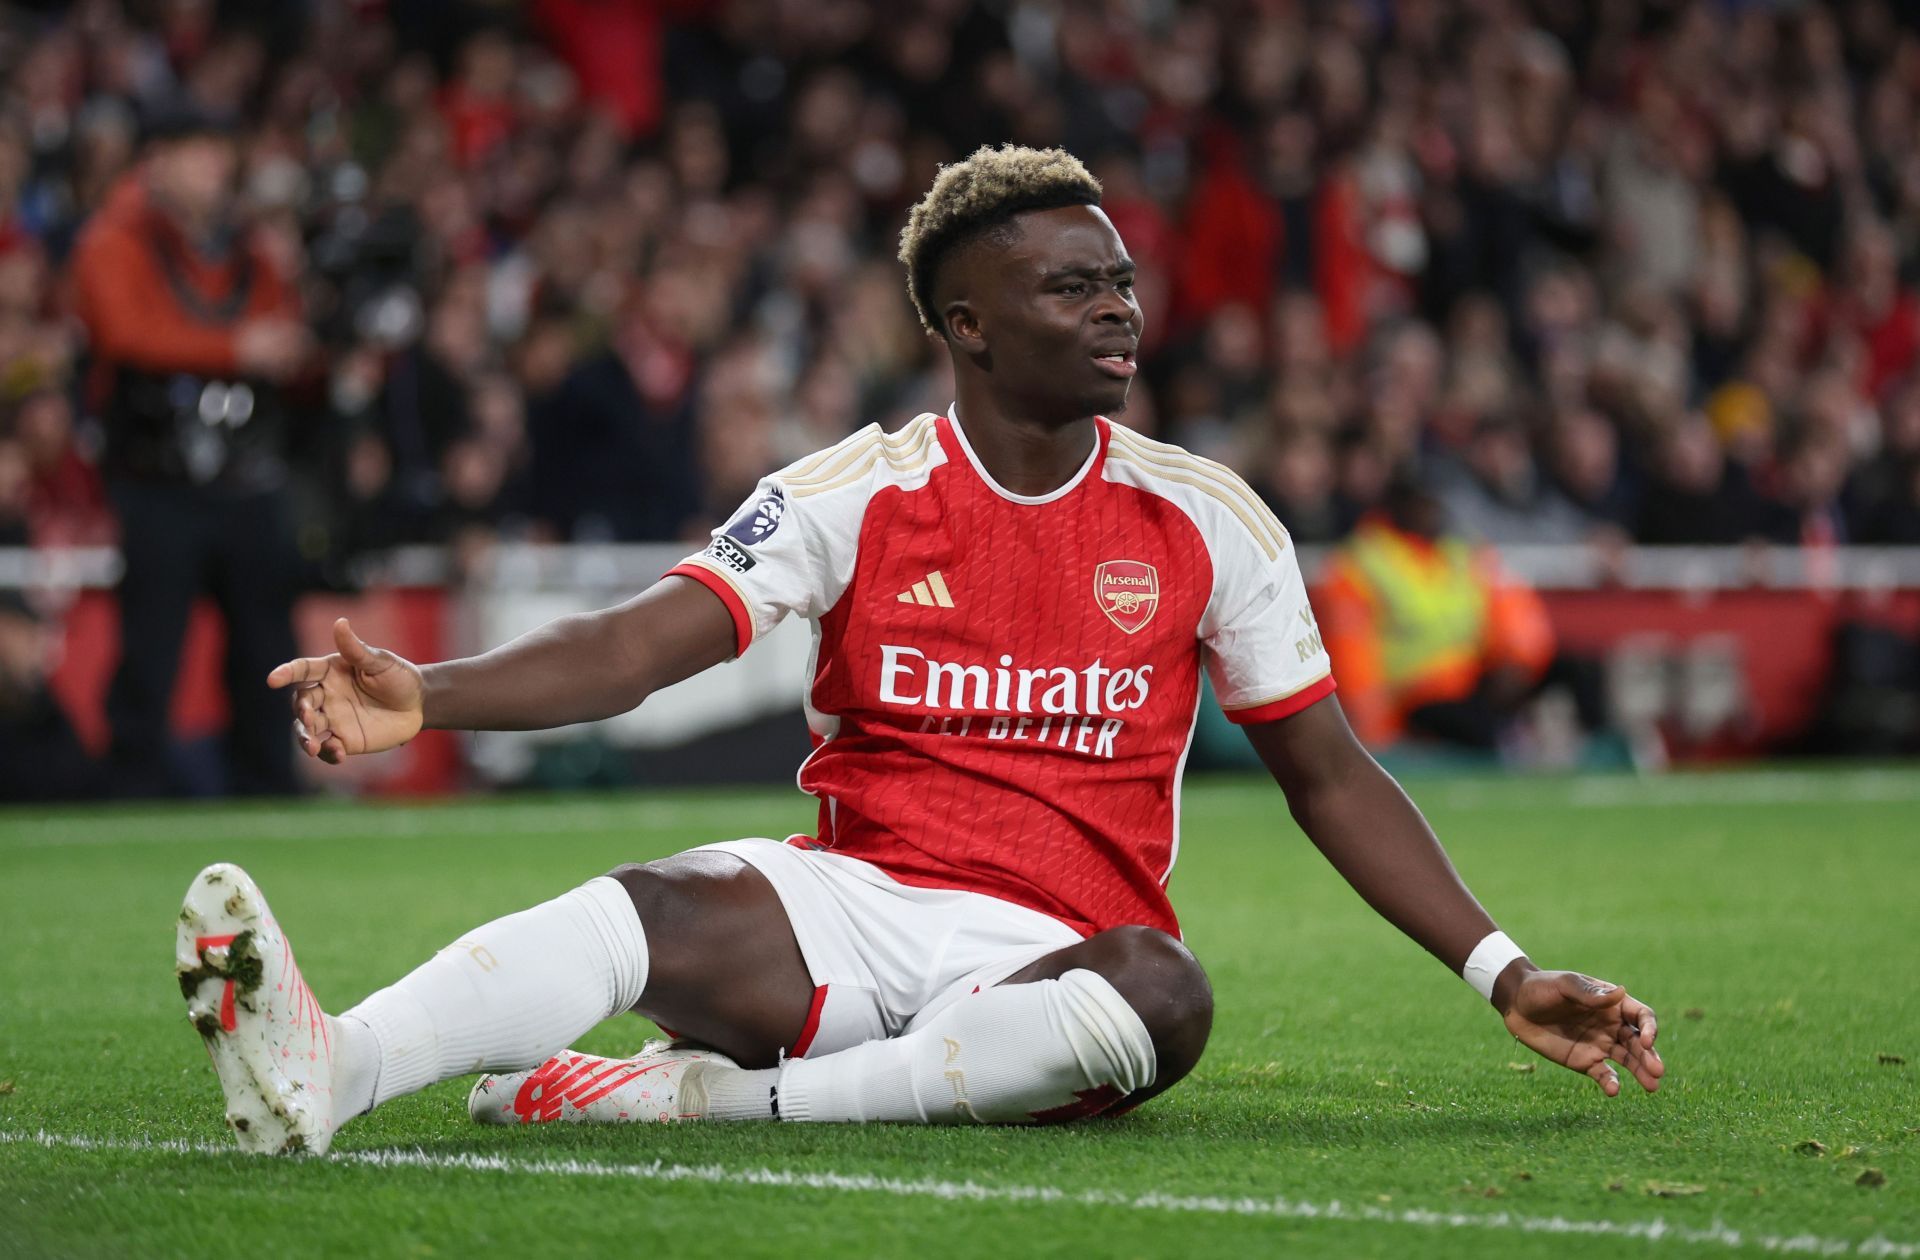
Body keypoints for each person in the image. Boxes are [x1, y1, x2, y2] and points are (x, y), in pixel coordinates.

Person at [175, 147, 1660, 1156]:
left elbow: (1329, 775)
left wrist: (1503, 972)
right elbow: (638, 650)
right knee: (651, 903)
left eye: (1122, 283)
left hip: (1052, 961)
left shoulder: (1209, 520)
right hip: (857, 905)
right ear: (968, 321)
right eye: (1072, 287)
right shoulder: (858, 491)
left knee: (1168, 998)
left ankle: (711, 1106)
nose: (1117, 310)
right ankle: (333, 1068)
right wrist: (431, 695)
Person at [69, 104, 313, 797]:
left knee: (266, 652)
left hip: (247, 474)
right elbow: (126, 334)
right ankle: (131, 794)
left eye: (219, 152)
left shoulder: (250, 248)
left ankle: (270, 788)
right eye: (197, 152)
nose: (215, 167)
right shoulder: (115, 239)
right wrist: (237, 349)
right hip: (158, 479)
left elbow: (286, 334)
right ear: (157, 162)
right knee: (151, 651)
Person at [1319, 473, 1605, 753]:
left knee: (1577, 668)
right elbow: (1350, 654)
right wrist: (1375, 729)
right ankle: (1519, 747)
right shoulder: (1364, 560)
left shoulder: (1461, 552)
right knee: (1475, 728)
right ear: (1400, 504)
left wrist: (1515, 662)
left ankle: (1598, 752)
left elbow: (1514, 613)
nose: (1434, 511)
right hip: (1417, 693)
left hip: (1475, 680)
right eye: (1425, 503)